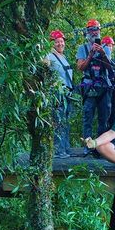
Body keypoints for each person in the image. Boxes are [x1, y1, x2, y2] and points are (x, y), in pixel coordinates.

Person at [76, 19, 113, 155]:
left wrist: (103, 53)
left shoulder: (106, 48)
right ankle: (87, 147)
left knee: (104, 118)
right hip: (89, 86)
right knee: (88, 117)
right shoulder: (83, 48)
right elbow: (80, 67)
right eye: (91, 30)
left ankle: (100, 148)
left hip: (103, 86)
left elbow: (110, 68)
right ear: (87, 32)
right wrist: (91, 54)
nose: (94, 32)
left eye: (96, 30)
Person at [46, 29, 73, 158]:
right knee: (59, 120)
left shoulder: (63, 57)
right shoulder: (49, 56)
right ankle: (58, 150)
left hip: (66, 92)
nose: (60, 44)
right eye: (57, 42)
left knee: (65, 120)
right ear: (52, 43)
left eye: (61, 41)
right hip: (57, 92)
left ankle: (65, 148)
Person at [101, 36, 115, 131]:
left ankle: (112, 136)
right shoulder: (99, 60)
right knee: (104, 115)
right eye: (107, 46)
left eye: (110, 46)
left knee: (113, 114)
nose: (109, 48)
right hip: (104, 92)